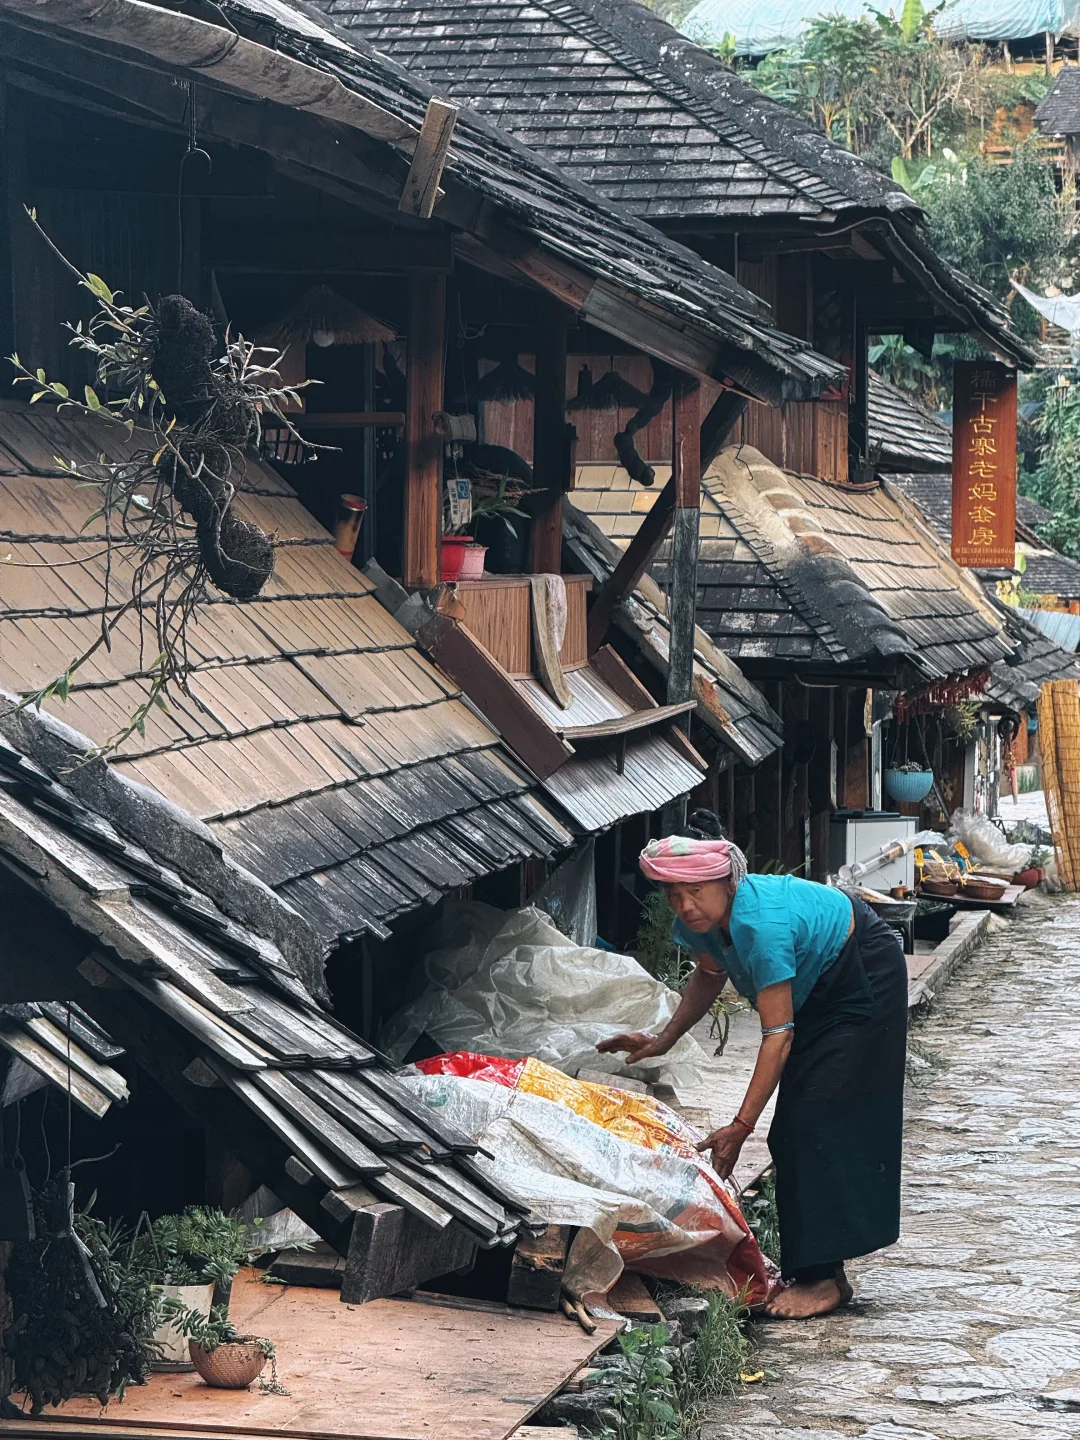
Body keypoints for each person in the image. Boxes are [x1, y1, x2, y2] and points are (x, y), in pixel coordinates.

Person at [597, 813, 908, 1319]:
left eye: (695, 891)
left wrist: (740, 1126)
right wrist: (663, 1037)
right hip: (818, 986)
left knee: (811, 1121)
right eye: (674, 895)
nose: (685, 905)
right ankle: (816, 1268)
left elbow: (777, 1037)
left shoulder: (759, 925)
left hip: (862, 972)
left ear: (726, 881)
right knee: (797, 1126)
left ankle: (824, 1279)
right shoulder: (700, 923)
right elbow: (709, 973)